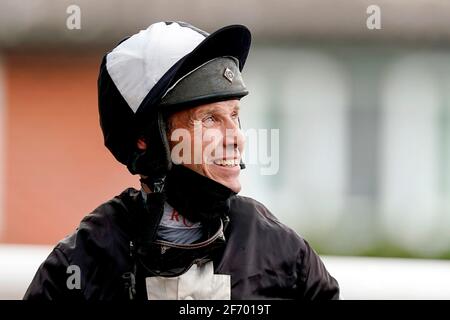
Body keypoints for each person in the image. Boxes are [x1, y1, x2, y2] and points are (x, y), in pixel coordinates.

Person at [24, 21, 340, 300]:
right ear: (145, 139)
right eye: (210, 119)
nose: (237, 138)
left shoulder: (283, 253)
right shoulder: (82, 264)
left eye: (234, 115)